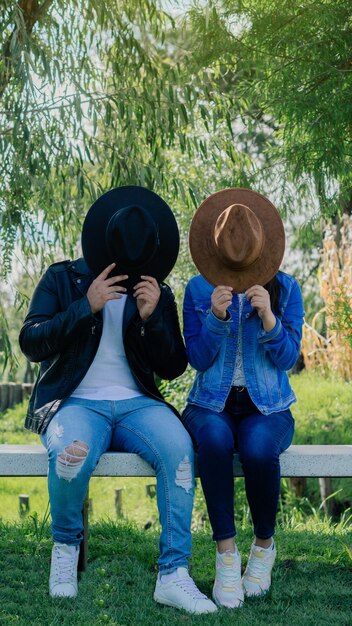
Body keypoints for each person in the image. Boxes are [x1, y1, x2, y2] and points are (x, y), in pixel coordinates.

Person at [19, 186, 217, 614]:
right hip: (74, 404)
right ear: (105, 240)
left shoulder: (156, 292)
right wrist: (84, 307)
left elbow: (174, 367)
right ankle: (65, 552)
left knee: (181, 450)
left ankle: (174, 574)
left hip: (138, 405)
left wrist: (151, 321)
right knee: (71, 454)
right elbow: (31, 342)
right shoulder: (63, 278)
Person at [181, 188, 304, 609]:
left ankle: (264, 548)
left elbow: (288, 358)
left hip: (268, 407)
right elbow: (195, 360)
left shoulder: (286, 290)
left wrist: (269, 317)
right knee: (214, 442)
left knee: (256, 449)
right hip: (210, 404)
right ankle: (227, 556)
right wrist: (215, 319)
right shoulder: (198, 290)